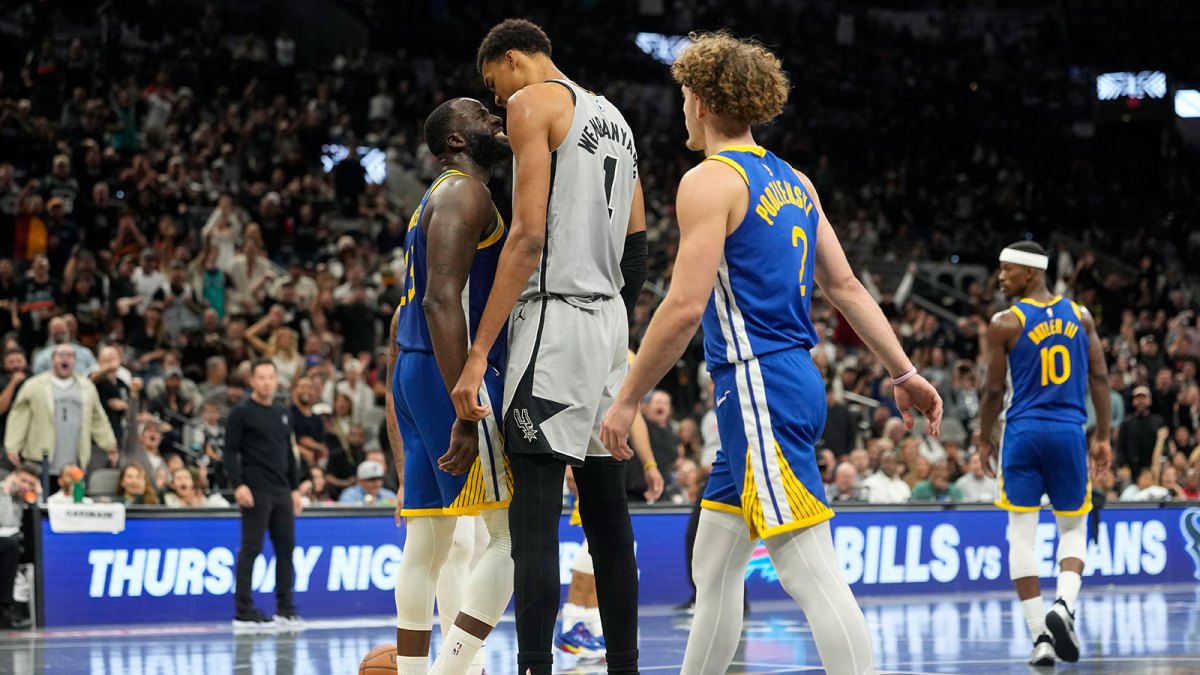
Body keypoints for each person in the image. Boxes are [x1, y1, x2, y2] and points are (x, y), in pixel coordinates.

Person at [597, 32, 942, 675]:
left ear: (699, 100)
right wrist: (905, 370)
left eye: (682, 98)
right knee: (715, 561)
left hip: (757, 383)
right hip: (787, 381)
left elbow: (682, 308)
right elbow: (844, 288)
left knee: (807, 567)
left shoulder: (708, 180)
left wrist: (626, 398)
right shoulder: (795, 181)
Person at [451, 19, 648, 675]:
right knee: (606, 509)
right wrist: (609, 311)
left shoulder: (533, 102)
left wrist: (479, 353)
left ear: (512, 60)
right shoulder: (616, 117)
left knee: (534, 514)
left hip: (555, 316)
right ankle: (625, 663)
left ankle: (533, 665)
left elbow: (529, 234)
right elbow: (639, 246)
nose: (498, 102)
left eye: (492, 82)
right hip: (610, 319)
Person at [387, 96, 515, 675]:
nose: (495, 119)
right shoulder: (466, 192)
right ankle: (454, 670)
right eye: (480, 116)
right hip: (453, 374)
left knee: (429, 543)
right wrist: (466, 407)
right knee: (510, 535)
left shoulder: (430, 201)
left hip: (414, 369)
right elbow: (443, 299)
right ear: (456, 142)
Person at [977, 240, 1111, 665]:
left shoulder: (1005, 322)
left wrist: (983, 437)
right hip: (1069, 432)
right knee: (1073, 528)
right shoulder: (1081, 317)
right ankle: (1063, 606)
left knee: (1021, 533)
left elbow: (994, 390)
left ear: (1030, 273)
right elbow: (1101, 379)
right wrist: (1104, 434)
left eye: (1006, 269)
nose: (1000, 277)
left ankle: (1041, 639)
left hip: (1023, 433)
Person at [226, 360, 305, 631]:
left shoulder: (283, 412)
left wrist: (295, 489)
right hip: (255, 489)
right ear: (252, 381)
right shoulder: (241, 413)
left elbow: (289, 452)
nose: (267, 382)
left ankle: (285, 609)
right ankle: (243, 611)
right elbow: (230, 452)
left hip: (282, 490)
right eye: (261, 377)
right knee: (251, 549)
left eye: (271, 377)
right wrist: (238, 484)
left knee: (286, 550)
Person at [4, 344, 117, 486]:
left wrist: (110, 445)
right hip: (40, 460)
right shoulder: (33, 385)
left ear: (75, 362)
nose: (65, 359)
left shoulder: (87, 386)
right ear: (52, 361)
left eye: (70, 355)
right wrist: (13, 446)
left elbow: (98, 418)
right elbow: (18, 415)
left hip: (74, 463)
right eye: (61, 355)